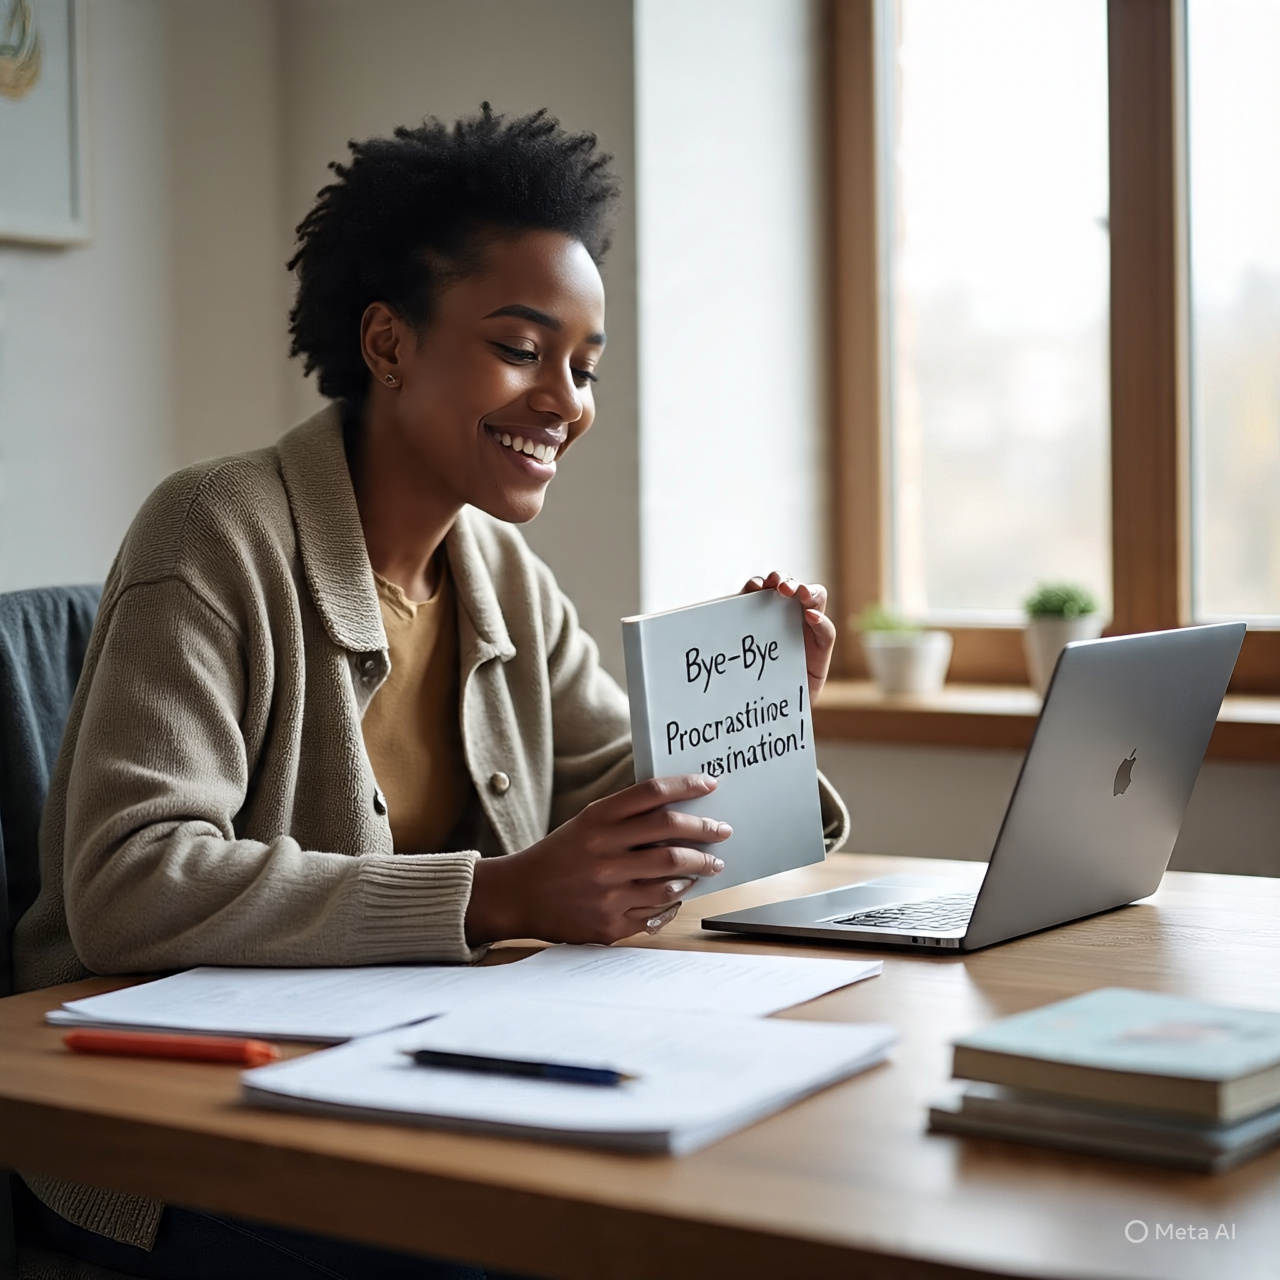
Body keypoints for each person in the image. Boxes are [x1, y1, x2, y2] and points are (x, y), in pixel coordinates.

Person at [12, 105, 846, 1278]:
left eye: (583, 365)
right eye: (521, 347)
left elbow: (625, 803)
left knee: (758, 1186)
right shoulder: (215, 531)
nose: (565, 398)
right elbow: (127, 884)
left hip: (400, 1077)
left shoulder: (496, 566)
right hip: (169, 1134)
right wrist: (496, 893)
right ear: (389, 342)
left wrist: (763, 717)